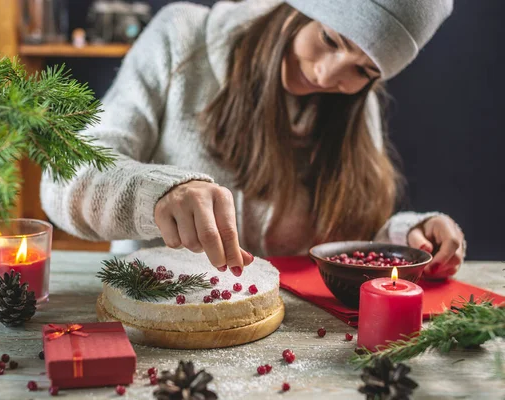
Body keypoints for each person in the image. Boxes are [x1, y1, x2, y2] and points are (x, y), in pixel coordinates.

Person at [40, 0, 465, 280]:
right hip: (155, 316)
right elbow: (67, 173)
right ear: (297, 10)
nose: (328, 76)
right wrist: (158, 195)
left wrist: (409, 236)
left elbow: (348, 238)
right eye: (331, 40)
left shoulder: (353, 107)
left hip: (285, 338)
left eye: (364, 71)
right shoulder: (180, 39)